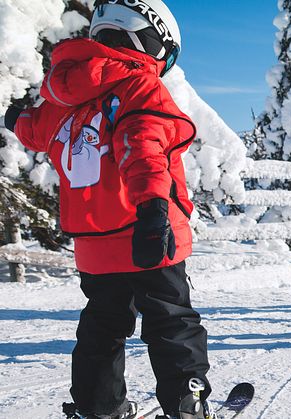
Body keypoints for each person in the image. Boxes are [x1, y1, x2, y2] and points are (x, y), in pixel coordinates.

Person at [4, 1, 213, 418]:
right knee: (171, 320)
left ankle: (99, 408)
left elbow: (36, 130)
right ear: (149, 39)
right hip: (148, 230)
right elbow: (143, 146)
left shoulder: (64, 98)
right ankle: (187, 404)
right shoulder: (139, 85)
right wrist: (153, 205)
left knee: (103, 326)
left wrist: (15, 118)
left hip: (95, 243)